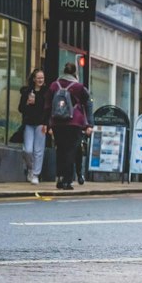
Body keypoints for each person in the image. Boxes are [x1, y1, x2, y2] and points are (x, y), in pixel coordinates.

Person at [47, 61, 93, 191]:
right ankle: (67, 180)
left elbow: (48, 105)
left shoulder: (54, 85)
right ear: (75, 73)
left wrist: (48, 123)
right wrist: (89, 124)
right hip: (74, 123)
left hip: (57, 123)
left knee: (60, 150)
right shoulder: (79, 87)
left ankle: (60, 178)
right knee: (70, 151)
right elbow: (88, 104)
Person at [17, 67, 48, 184]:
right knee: (27, 150)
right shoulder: (27, 92)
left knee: (38, 151)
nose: (40, 80)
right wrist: (27, 103)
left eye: (42, 78)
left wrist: (47, 124)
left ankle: (35, 174)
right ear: (34, 79)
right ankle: (30, 168)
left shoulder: (46, 92)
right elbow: (20, 109)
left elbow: (47, 109)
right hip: (29, 123)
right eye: (38, 78)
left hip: (41, 124)